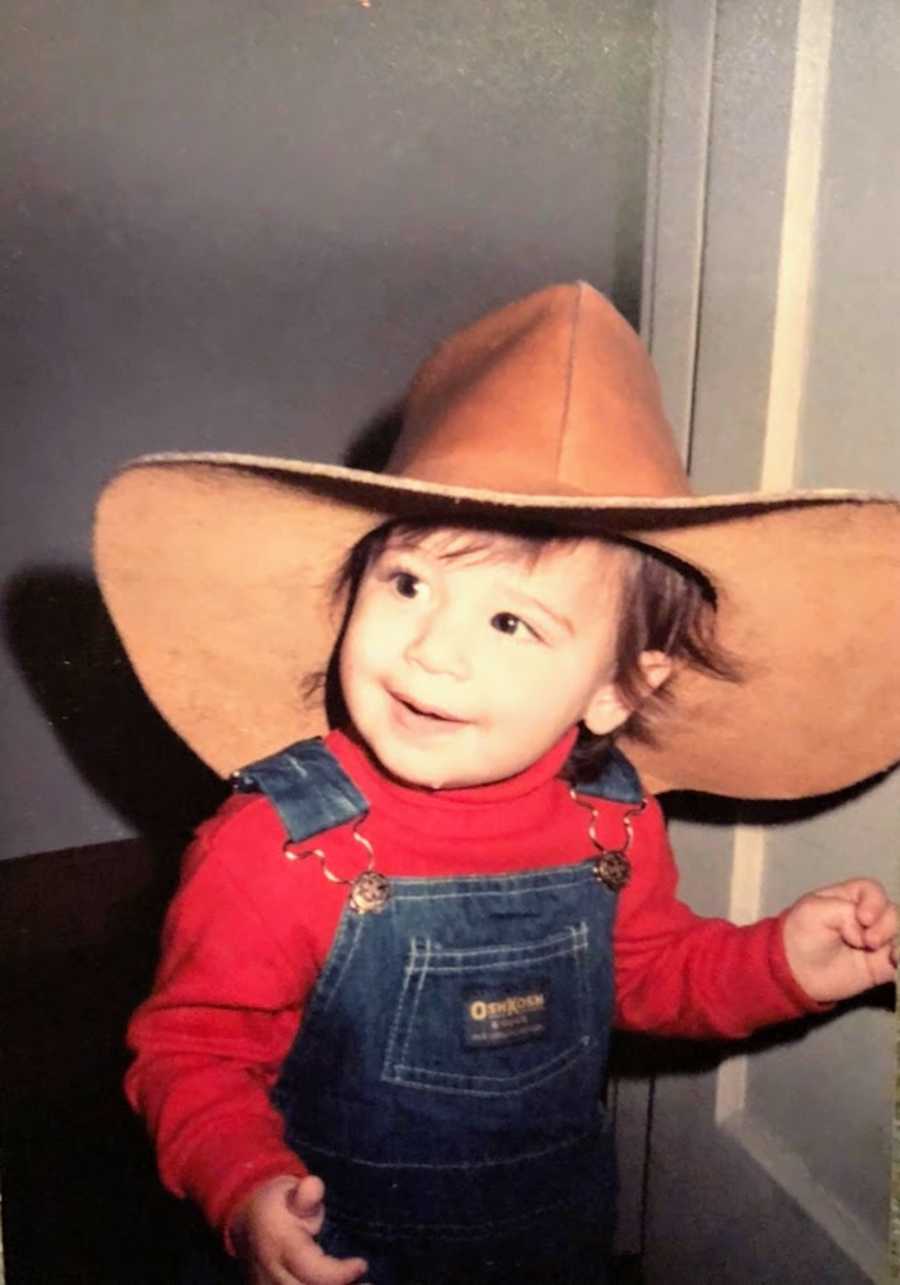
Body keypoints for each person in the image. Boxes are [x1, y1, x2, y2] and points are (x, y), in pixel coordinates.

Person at [93, 282, 900, 1285]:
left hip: (554, 1235)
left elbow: (648, 972)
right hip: (341, 1248)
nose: (431, 651)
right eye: (409, 584)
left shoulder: (615, 821)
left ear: (615, 688)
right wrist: (244, 1185)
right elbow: (193, 1049)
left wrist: (781, 963)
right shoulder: (280, 842)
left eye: (510, 622)